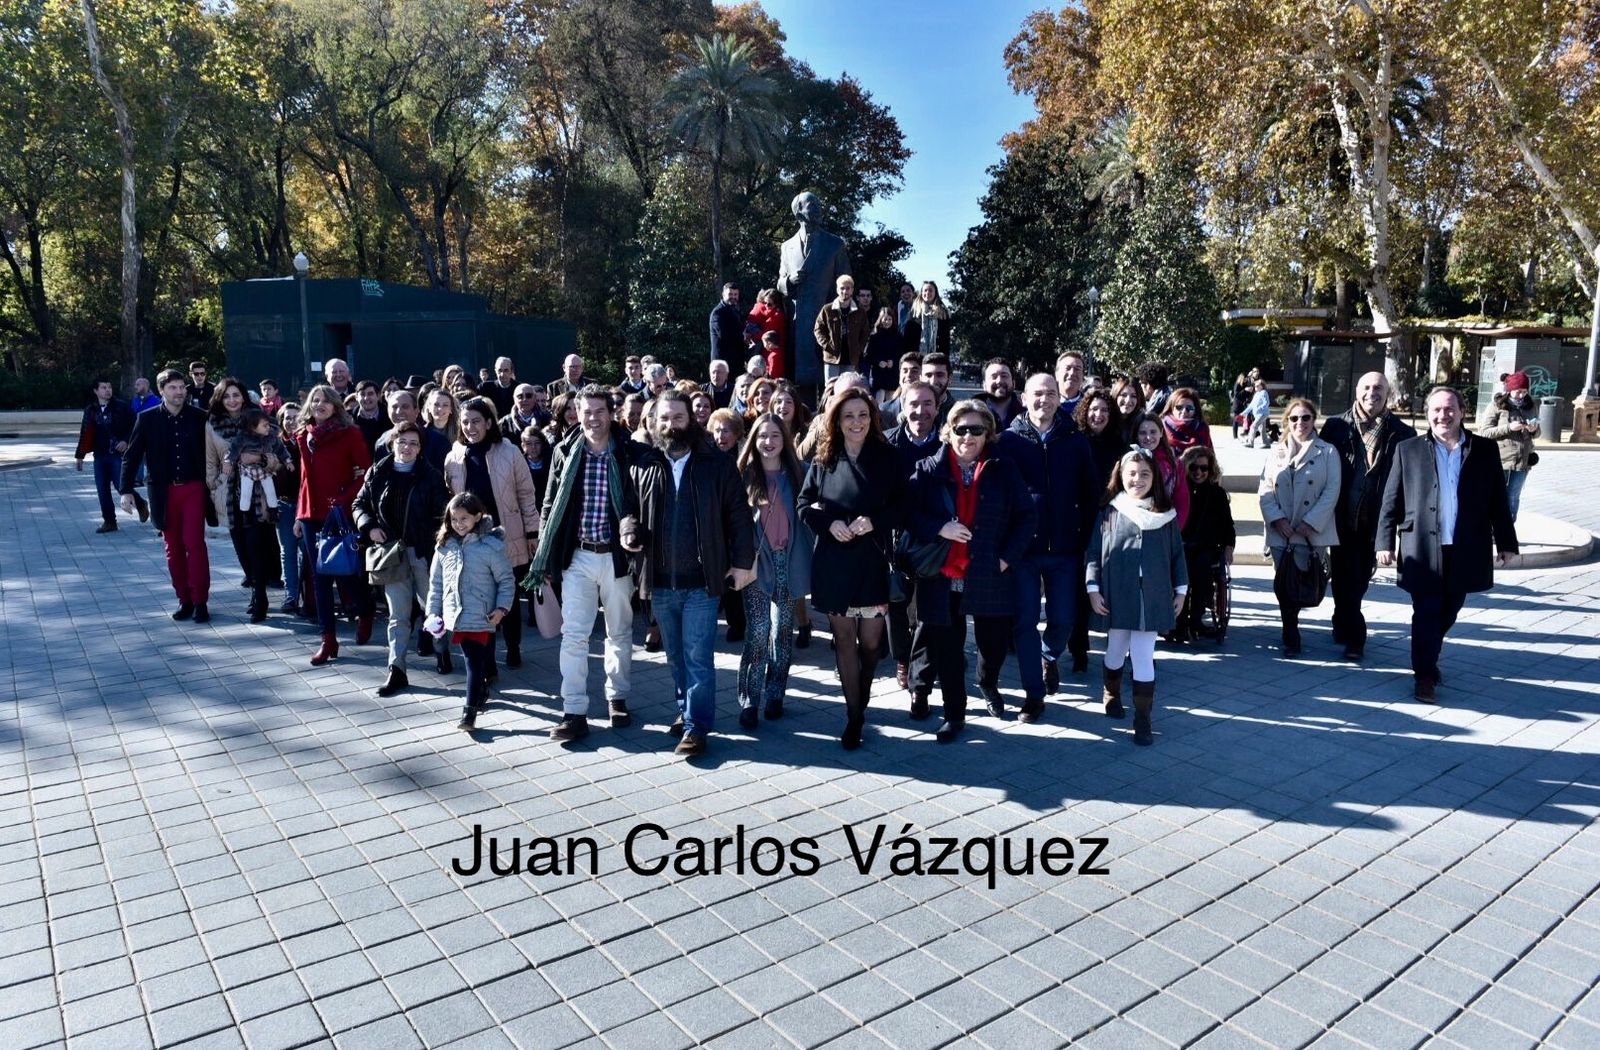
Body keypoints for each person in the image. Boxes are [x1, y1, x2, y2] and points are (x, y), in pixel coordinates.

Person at [629, 391, 756, 756]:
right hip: (660, 582)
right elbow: (630, 509)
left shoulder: (717, 464)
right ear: (654, 423)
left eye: (678, 418)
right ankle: (686, 710)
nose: (671, 425)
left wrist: (743, 562)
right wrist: (628, 529)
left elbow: (739, 516)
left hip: (702, 582)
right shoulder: (644, 464)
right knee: (675, 657)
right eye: (664, 419)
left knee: (697, 656)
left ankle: (696, 727)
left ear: (692, 420)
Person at [1376, 386, 1518, 702]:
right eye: (1437, 409)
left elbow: (1498, 500)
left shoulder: (1484, 450)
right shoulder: (1408, 449)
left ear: (1462, 412)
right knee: (1426, 611)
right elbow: (1390, 500)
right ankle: (1424, 675)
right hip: (1422, 549)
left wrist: (1507, 542)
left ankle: (1428, 654)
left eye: (1450, 408)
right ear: (1428, 413)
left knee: (1450, 609)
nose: (1443, 415)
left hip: (1466, 547)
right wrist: (1384, 542)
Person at [907, 402, 1036, 741]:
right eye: (961, 429)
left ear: (987, 434)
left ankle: (987, 682)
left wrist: (1007, 558)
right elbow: (908, 514)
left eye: (976, 430)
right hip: (942, 574)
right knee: (948, 650)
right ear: (949, 432)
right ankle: (955, 715)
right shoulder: (927, 469)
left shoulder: (1003, 468)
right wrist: (940, 528)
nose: (968, 436)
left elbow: (1027, 516)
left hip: (989, 571)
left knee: (993, 645)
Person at [530, 385, 645, 742]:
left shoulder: (627, 450)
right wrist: (545, 554)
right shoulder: (564, 450)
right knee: (574, 635)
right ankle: (574, 710)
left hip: (616, 556)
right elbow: (550, 503)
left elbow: (639, 500)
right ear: (576, 414)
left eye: (599, 411)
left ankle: (617, 697)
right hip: (577, 555)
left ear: (611, 413)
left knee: (619, 631)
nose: (593, 418)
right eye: (586, 412)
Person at [798, 389, 907, 750]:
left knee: (871, 645)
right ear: (837, 420)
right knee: (844, 641)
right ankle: (854, 716)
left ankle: (862, 695)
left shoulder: (888, 457)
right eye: (848, 416)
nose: (856, 422)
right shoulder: (825, 456)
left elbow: (903, 507)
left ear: (872, 418)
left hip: (873, 561)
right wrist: (828, 523)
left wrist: (874, 521)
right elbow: (804, 504)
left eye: (862, 415)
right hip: (834, 562)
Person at [998, 374, 1099, 719]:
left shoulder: (1075, 440)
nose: (1045, 399)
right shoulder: (1008, 441)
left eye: (1051, 393)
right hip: (1023, 551)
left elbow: (1090, 493)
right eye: (1038, 393)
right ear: (1024, 398)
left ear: (1059, 398)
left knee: (1064, 619)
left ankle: (1049, 655)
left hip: (1066, 549)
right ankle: (1034, 694)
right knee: (1024, 623)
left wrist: (1086, 539)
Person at [1087, 448, 1187, 745]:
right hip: (1117, 594)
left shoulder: (1165, 516)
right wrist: (1093, 589)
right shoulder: (1110, 512)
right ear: (1121, 476)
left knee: (1143, 654)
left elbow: (1177, 556)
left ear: (1154, 478)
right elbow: (1093, 553)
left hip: (1152, 596)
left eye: (1145, 474)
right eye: (1131, 473)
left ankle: (1143, 718)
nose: (1138, 479)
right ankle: (1111, 692)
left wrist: (1181, 590)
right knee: (1116, 648)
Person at [1319, 371, 1414, 660]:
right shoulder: (1336, 426)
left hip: (1376, 521)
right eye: (1367, 387)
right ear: (1357, 391)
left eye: (1379, 388)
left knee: (1359, 579)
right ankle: (1355, 636)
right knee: (1343, 578)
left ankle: (1342, 619)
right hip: (1341, 518)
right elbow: (1320, 465)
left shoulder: (1403, 433)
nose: (1372, 393)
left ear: (1388, 394)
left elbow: (1407, 482)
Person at [445, 397, 542, 672]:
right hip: (471, 538)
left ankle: (513, 646)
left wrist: (532, 531)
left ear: (488, 422)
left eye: (476, 421)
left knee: (506, 593)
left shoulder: (509, 451)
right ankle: (487, 660)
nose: (470, 427)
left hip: (505, 534)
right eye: (465, 422)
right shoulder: (454, 457)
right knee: (478, 596)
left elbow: (526, 494)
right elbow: (451, 500)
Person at [354, 420, 449, 698]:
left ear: (420, 448)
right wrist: (369, 526)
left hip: (422, 553)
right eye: (402, 442)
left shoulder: (430, 475)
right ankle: (397, 669)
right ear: (392, 443)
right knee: (398, 615)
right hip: (391, 554)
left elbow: (442, 513)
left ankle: (442, 650)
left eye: (413, 443)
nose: (407, 448)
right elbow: (359, 504)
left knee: (433, 610)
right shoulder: (378, 472)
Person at [120, 369, 214, 623]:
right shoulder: (146, 418)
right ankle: (184, 599)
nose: (179, 392)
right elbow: (131, 456)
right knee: (172, 547)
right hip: (164, 492)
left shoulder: (199, 417)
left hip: (194, 488)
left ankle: (200, 601)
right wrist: (126, 490)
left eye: (182, 387)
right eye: (173, 387)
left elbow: (214, 450)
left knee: (194, 543)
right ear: (161, 390)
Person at [736, 413, 812, 726]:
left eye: (775, 436)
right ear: (754, 440)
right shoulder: (743, 474)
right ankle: (749, 700)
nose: (768, 442)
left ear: (785, 439)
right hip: (756, 562)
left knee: (782, 630)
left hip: (788, 560)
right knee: (758, 631)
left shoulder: (800, 472)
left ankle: (775, 693)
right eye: (762, 436)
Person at [294, 384, 374, 665]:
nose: (320, 405)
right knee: (319, 577)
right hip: (310, 514)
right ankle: (328, 639)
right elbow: (303, 479)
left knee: (345, 570)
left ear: (336, 406)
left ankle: (365, 610)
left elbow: (365, 473)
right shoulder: (304, 434)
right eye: (315, 400)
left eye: (326, 401)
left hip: (338, 513)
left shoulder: (349, 433)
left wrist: (342, 500)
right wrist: (299, 515)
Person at [1260, 398, 1341, 656]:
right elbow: (1265, 488)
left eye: (1306, 417)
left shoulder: (1327, 452)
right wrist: (1277, 519)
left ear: (1313, 420)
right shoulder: (1276, 451)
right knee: (1285, 581)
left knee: (1304, 580)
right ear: (1287, 421)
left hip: (1310, 532)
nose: (1300, 423)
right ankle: (1290, 630)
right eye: (1294, 418)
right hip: (1281, 531)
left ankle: (1293, 625)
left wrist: (1311, 522)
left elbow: (1332, 490)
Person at [427, 493, 514, 731]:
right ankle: (482, 689)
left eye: (464, 518)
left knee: (472, 662)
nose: (459, 524)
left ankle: (469, 713)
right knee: (476, 660)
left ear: (477, 516)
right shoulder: (444, 547)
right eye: (454, 519)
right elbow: (436, 584)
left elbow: (506, 580)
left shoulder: (490, 547)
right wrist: (432, 613)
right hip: (456, 615)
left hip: (482, 615)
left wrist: (502, 609)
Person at [884, 380, 941, 694]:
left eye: (927, 403)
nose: (920, 411)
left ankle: (922, 666)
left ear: (937, 407)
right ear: (902, 408)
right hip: (897, 538)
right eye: (914, 404)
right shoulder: (887, 443)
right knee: (896, 603)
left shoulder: (948, 442)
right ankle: (902, 659)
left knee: (929, 610)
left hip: (936, 539)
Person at [1068, 387, 1126, 671]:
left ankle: (1119, 650)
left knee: (1111, 586)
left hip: (1111, 521)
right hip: (1080, 522)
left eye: (1104, 410)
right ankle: (1079, 649)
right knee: (1081, 589)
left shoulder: (1119, 445)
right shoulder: (1074, 441)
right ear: (1084, 412)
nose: (1098, 415)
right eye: (1093, 409)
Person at [777, 190, 853, 390]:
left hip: (827, 322)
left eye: (820, 206)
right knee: (801, 384)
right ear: (799, 212)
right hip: (798, 323)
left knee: (830, 382)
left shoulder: (834, 244)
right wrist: (790, 281)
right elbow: (780, 283)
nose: (819, 210)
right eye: (813, 206)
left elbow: (846, 281)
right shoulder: (787, 246)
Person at [226, 409, 290, 623]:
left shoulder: (265, 429)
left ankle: (260, 597)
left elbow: (278, 461)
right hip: (229, 497)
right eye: (226, 396)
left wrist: (259, 458)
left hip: (259, 499)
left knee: (256, 548)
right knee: (242, 549)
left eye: (236, 395)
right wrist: (215, 485)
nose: (232, 400)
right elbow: (211, 461)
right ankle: (255, 591)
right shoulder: (212, 425)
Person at [1178, 446, 1236, 641]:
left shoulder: (1217, 493)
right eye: (1193, 467)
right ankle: (1179, 620)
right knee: (1181, 569)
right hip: (1182, 544)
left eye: (1204, 468)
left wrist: (1229, 547)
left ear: (1211, 470)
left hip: (1207, 546)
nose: (1199, 472)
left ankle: (1196, 618)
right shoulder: (1179, 491)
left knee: (1202, 569)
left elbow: (1228, 525)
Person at [76, 378, 145, 532]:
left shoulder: (121, 406)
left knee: (122, 486)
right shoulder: (91, 409)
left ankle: (141, 504)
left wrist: (126, 441)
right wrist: (79, 455)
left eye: (109, 387)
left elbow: (136, 426)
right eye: (103, 387)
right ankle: (109, 521)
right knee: (102, 489)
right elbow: (84, 432)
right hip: (99, 455)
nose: (107, 390)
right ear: (96, 391)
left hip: (117, 454)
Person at [1480, 371, 1541, 522]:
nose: (1521, 395)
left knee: (1513, 497)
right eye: (1518, 391)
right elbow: (1484, 432)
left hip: (1522, 461)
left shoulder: (1531, 406)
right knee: (1495, 496)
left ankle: (1507, 530)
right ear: (1509, 390)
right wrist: (1508, 427)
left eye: (1525, 392)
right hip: (1500, 460)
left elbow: (1538, 433)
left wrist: (1534, 430)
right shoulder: (1497, 406)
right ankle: (1490, 528)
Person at [1133, 413, 1191, 529]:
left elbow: (1182, 501)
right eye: (1143, 433)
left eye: (1153, 432)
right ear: (1136, 436)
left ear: (1161, 433)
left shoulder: (1174, 464)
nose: (1148, 437)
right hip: (1135, 527)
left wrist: (1175, 529)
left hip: (1165, 527)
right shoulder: (1128, 462)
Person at [274, 402, 305, 615]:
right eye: (287, 417)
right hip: (284, 504)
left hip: (305, 505)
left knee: (306, 552)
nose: (291, 421)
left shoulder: (307, 442)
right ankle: (291, 595)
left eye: (295, 417)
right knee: (288, 551)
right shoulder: (275, 445)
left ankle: (307, 596)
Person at [813, 274, 869, 382]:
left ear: (852, 290)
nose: (845, 291)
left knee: (848, 388)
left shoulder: (860, 312)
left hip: (850, 360)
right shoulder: (827, 309)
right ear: (837, 289)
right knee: (831, 388)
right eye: (842, 288)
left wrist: (859, 349)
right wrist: (826, 345)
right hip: (832, 358)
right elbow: (818, 329)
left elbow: (865, 332)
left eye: (848, 288)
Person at [1160, 387, 1213, 457]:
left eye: (1189, 408)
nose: (1184, 411)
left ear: (1196, 410)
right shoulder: (1160, 427)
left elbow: (1210, 458)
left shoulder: (1202, 428)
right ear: (1171, 408)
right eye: (1179, 407)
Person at [864, 307, 902, 403]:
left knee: (891, 403)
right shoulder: (874, 337)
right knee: (879, 401)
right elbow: (867, 355)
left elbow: (901, 354)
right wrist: (878, 362)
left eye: (889, 319)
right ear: (880, 320)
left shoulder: (898, 337)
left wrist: (893, 361)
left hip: (892, 375)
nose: (887, 322)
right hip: (878, 375)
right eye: (885, 319)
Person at [747, 289, 786, 378]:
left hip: (771, 349)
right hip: (769, 349)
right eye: (764, 302)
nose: (766, 306)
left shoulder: (777, 317)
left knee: (772, 375)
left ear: (776, 304)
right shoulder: (771, 314)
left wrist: (751, 334)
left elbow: (764, 335)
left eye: (769, 304)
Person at [905, 281, 951, 358]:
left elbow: (946, 340)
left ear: (935, 293)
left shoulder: (943, 313)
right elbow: (908, 339)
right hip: (916, 357)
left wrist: (945, 357)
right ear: (921, 293)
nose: (927, 293)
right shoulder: (914, 313)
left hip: (937, 357)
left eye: (930, 290)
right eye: (925, 290)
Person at [976, 358, 1024, 430]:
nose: (999, 381)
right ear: (984, 385)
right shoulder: (970, 413)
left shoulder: (1027, 415)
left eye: (1004, 376)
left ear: (1013, 383)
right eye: (994, 377)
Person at [710, 283, 746, 364]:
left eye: (735, 294)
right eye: (730, 294)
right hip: (722, 362)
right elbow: (723, 335)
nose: (733, 297)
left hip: (736, 360)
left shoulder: (735, 311)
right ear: (723, 294)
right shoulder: (718, 312)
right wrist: (743, 336)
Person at [919, 352, 956, 425]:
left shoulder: (958, 412)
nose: (933, 381)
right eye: (928, 375)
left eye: (940, 375)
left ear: (950, 378)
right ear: (920, 378)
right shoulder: (910, 412)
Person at [352, 380, 389, 451]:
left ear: (378, 396)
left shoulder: (390, 417)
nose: (366, 398)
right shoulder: (348, 418)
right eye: (362, 394)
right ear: (356, 397)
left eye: (370, 394)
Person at [1111, 378, 1146, 445]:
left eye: (1133, 396)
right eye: (1124, 395)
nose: (1128, 400)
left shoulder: (1142, 422)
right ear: (1116, 395)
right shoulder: (1106, 420)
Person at [1056, 352, 1088, 420]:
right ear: (1057, 374)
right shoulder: (1046, 403)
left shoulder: (1089, 406)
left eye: (1077, 369)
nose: (1072, 373)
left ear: (1083, 376)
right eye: (1067, 368)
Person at [1244, 378, 1272, 447]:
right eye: (1255, 386)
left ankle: (1250, 443)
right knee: (1262, 429)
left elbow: (1267, 403)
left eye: (1257, 385)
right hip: (1257, 414)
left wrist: (1259, 408)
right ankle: (1266, 444)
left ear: (1261, 386)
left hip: (1262, 414)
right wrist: (1244, 412)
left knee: (1253, 426)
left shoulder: (1264, 392)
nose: (1255, 387)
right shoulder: (1256, 394)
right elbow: (1251, 405)